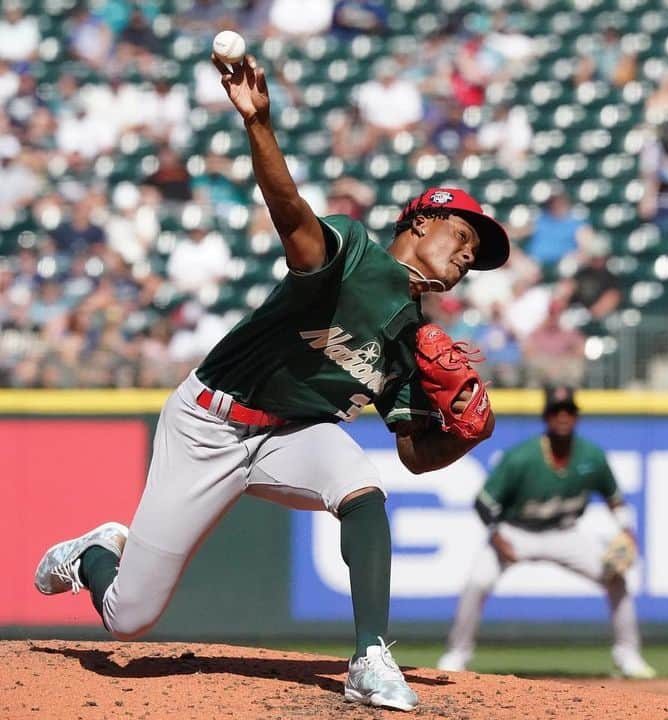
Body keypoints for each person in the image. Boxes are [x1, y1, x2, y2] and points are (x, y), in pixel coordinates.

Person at [32, 51, 509, 713]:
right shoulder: (352, 251)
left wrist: (467, 434)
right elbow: (291, 218)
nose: (467, 255)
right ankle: (94, 553)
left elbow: (413, 455)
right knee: (129, 618)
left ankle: (370, 655)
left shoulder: (414, 342)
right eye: (463, 236)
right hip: (208, 423)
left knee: (364, 492)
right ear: (421, 221)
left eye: (476, 257)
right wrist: (259, 125)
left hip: (292, 433)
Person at [437, 386, 656, 680]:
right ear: (547, 417)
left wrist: (627, 530)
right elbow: (484, 502)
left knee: (615, 577)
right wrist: (497, 535)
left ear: (576, 417)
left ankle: (628, 654)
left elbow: (614, 499)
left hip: (564, 533)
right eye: (556, 412)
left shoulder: (591, 456)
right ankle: (457, 653)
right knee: (478, 582)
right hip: (515, 531)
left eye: (569, 412)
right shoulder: (522, 458)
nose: (563, 417)